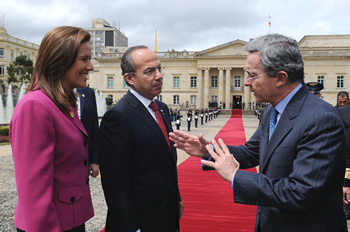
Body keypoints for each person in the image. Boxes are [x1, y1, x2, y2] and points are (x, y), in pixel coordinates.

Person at [169, 33, 347, 231]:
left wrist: (236, 176)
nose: (245, 83)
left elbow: (300, 192)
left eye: (252, 75)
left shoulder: (321, 119)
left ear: (280, 78)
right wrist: (208, 150)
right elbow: (253, 152)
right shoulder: (272, 109)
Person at [9, 26, 94, 232]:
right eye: (84, 59)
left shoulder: (63, 102)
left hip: (69, 220)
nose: (90, 66)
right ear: (61, 61)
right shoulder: (35, 105)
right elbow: (34, 192)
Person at [98, 45, 184, 232]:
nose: (159, 75)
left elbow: (165, 164)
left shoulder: (161, 108)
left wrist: (175, 199)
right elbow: (116, 184)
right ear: (130, 78)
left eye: (159, 68)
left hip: (165, 214)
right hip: (140, 222)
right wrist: (132, 228)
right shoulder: (118, 117)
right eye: (149, 71)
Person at [76, 86, 99, 177]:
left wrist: (94, 160)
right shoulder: (54, 91)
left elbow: (94, 126)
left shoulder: (89, 92)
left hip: (85, 155)